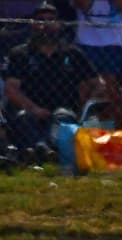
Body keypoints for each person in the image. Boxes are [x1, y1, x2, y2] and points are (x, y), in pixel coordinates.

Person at [4, 1, 101, 161]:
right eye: (41, 20)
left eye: (51, 19)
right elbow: (11, 89)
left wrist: (84, 106)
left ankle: (43, 150)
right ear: (32, 24)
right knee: (23, 117)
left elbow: (97, 85)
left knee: (63, 116)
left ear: (60, 24)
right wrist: (35, 109)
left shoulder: (73, 53)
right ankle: (43, 149)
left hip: (64, 111)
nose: (46, 25)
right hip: (30, 110)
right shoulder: (20, 54)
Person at [71, 0, 122, 125]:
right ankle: (81, 128)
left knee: (113, 92)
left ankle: (116, 130)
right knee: (85, 90)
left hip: (114, 44)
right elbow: (82, 4)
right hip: (85, 43)